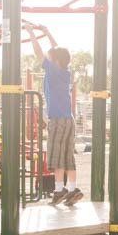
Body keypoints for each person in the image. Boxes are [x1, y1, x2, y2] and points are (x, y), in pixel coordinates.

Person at [41, 46, 82, 206]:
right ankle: (72, 188)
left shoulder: (53, 71)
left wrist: (31, 34)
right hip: (68, 120)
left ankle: (59, 189)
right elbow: (57, 50)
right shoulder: (65, 72)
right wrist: (48, 33)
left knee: (56, 156)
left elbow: (39, 53)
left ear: (55, 61)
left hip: (57, 119)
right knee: (67, 155)